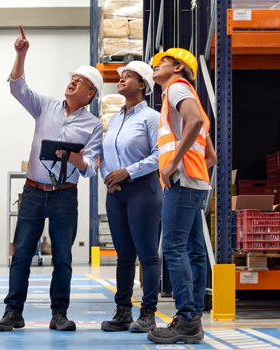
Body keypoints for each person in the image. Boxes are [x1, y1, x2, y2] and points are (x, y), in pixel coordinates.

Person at [0, 25, 103, 332]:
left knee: (63, 258)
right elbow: (17, 88)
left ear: (90, 94)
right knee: (22, 253)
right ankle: (13, 312)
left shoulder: (93, 125)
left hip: (65, 195)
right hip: (33, 192)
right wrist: (20, 54)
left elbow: (91, 167)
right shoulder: (46, 106)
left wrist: (70, 155)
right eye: (71, 79)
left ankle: (59, 314)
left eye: (79, 82)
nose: (72, 83)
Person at [147, 48, 216, 344]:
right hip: (196, 181)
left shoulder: (176, 88)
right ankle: (193, 317)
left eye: (160, 62)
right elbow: (211, 155)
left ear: (177, 66)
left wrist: (175, 163)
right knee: (195, 250)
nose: (155, 66)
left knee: (173, 248)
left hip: (182, 180)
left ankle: (187, 317)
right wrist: (190, 163)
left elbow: (196, 122)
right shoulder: (186, 92)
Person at [99, 61, 162, 333]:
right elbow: (104, 155)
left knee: (147, 255)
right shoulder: (114, 119)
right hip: (117, 192)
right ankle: (123, 310)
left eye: (129, 76)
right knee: (123, 256)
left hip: (142, 190)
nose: (122, 79)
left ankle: (148, 312)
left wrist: (128, 172)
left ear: (143, 86)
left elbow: (160, 155)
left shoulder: (151, 117)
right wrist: (107, 177)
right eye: (121, 76)